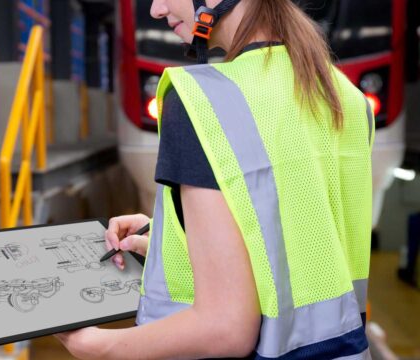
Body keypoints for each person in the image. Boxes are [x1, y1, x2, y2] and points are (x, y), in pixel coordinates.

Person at [56, 0, 374, 358]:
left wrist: (102, 347)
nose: (156, 10)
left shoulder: (203, 100)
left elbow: (225, 329)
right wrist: (170, 243)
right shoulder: (343, 95)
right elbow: (298, 243)